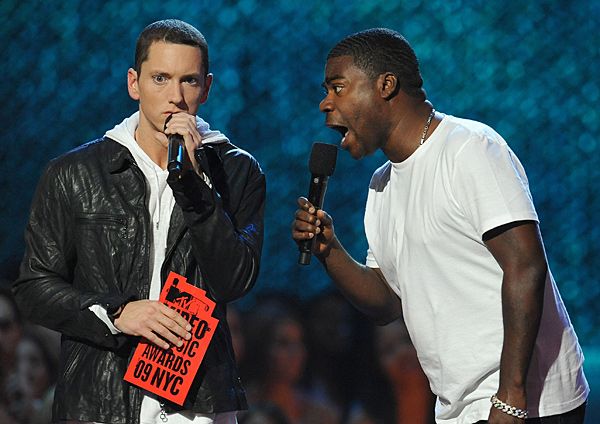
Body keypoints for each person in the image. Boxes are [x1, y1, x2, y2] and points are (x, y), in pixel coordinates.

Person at [291, 28, 588, 423]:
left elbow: (526, 266)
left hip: (526, 402)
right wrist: (330, 251)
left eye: (338, 87)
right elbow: (386, 303)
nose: (325, 103)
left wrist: (511, 397)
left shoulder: (469, 148)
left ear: (386, 85)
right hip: (460, 407)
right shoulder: (382, 185)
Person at [13, 18, 265, 424]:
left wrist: (196, 186)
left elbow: (234, 280)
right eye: (160, 78)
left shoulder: (235, 172)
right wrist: (116, 313)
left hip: (194, 402)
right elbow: (33, 287)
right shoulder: (74, 173)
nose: (175, 97)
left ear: (207, 88)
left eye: (189, 81)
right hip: (98, 400)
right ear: (135, 83)